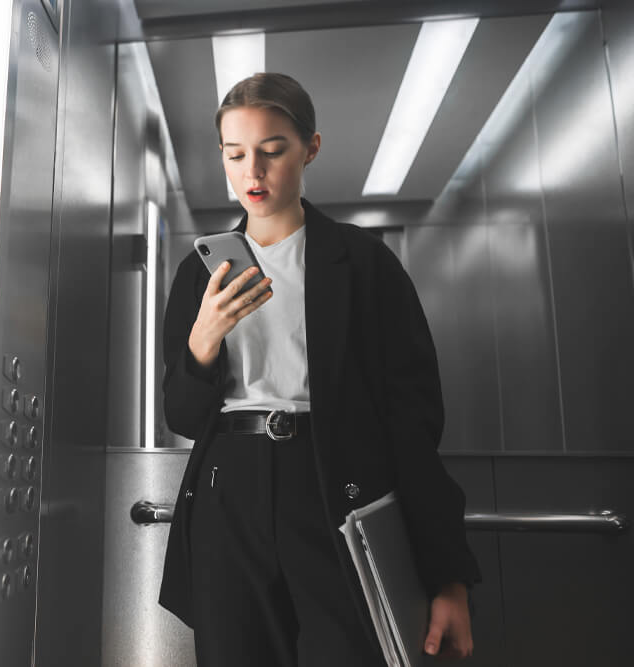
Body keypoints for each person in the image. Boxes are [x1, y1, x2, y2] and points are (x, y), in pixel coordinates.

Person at [157, 72, 482, 666]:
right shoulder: (197, 274)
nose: (252, 172)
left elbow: (413, 426)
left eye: (272, 151)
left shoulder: (363, 265)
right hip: (230, 490)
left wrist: (448, 576)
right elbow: (181, 415)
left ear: (310, 148)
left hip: (334, 486)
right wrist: (203, 340)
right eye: (235, 154)